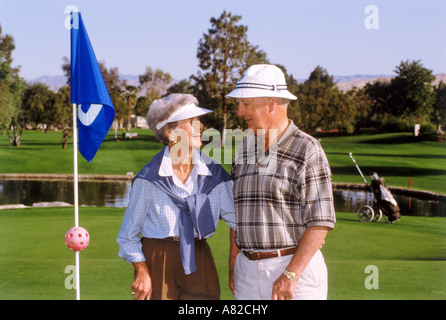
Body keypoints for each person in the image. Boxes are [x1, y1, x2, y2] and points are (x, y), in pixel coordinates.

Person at [226, 64, 336, 300]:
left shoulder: (307, 148)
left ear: (271, 104)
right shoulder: (244, 149)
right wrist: (234, 261)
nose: (239, 112)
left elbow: (321, 221)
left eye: (245, 104)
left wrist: (291, 274)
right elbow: (237, 216)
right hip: (246, 271)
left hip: (294, 272)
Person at [117, 93, 235, 300]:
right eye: (191, 122)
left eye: (199, 120)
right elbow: (127, 237)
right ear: (170, 133)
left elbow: (241, 222)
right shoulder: (148, 180)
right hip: (158, 260)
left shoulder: (216, 177)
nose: (200, 127)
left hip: (200, 260)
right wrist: (141, 270)